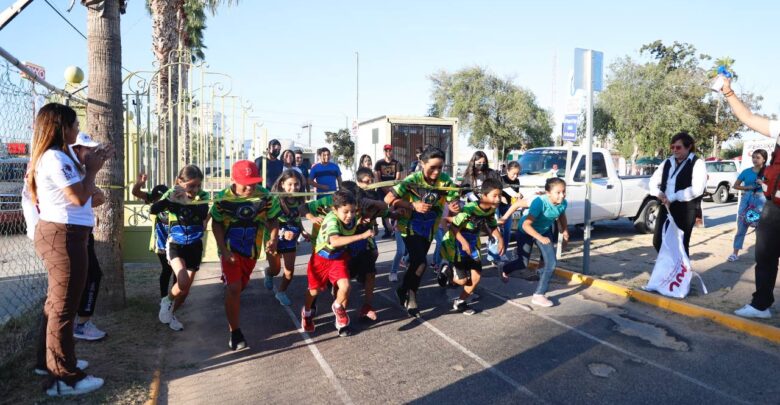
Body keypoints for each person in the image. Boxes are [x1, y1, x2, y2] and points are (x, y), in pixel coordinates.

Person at [28, 103, 111, 396]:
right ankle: (63, 377)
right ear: (62, 127)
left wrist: (90, 167)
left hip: (67, 235)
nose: (78, 131)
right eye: (74, 125)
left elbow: (85, 194)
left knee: (56, 306)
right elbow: (78, 197)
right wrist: (92, 170)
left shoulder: (57, 156)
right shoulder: (54, 158)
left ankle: (48, 362)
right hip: (63, 238)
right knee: (64, 309)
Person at [721, 77, 780, 319]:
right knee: (764, 257)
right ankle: (760, 305)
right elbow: (747, 118)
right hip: (774, 207)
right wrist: (728, 92)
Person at [384, 146, 460, 317]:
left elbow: (453, 200)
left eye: (440, 167)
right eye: (432, 167)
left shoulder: (446, 181)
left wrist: (455, 205)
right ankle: (411, 296)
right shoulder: (412, 179)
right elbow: (388, 199)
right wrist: (412, 205)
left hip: (430, 228)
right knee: (421, 262)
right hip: (409, 227)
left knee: (416, 264)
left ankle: (403, 289)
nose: (436, 171)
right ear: (422, 163)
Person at [211, 160, 279, 350]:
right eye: (245, 183)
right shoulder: (223, 198)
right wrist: (223, 250)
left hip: (252, 251)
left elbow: (273, 220)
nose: (250, 187)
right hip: (230, 250)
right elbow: (215, 223)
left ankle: (230, 299)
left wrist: (273, 238)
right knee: (234, 288)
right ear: (234, 179)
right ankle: (235, 332)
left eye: (254, 182)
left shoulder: (265, 196)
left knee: (239, 288)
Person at [301, 190, 374, 335]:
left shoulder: (352, 216)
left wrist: (366, 217)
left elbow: (381, 208)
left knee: (346, 286)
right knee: (314, 290)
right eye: (346, 212)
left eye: (353, 211)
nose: (350, 215)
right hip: (321, 260)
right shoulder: (331, 220)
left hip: (338, 259)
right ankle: (307, 312)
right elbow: (334, 241)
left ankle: (338, 307)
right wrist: (362, 235)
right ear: (335, 209)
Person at [152, 165, 210, 331]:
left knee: (183, 292)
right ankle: (166, 301)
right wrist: (169, 200)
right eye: (191, 185)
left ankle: (171, 313)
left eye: (198, 185)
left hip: (195, 245)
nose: (196, 189)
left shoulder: (203, 196)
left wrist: (185, 200)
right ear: (179, 182)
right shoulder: (171, 193)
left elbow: (201, 214)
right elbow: (154, 209)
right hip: (175, 244)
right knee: (182, 280)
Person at [501, 177, 569, 307]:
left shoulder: (563, 202)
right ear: (548, 193)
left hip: (543, 231)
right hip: (525, 231)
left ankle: (539, 295)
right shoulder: (539, 202)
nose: (562, 195)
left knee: (552, 263)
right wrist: (504, 218)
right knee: (523, 263)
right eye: (558, 192)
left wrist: (565, 232)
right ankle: (504, 268)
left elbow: (561, 215)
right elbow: (527, 225)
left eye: (564, 191)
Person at [440, 178, 504, 315]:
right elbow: (454, 227)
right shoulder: (469, 209)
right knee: (462, 280)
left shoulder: (490, 210)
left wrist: (500, 239)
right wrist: (463, 242)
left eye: (500, 195)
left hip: (473, 247)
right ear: (484, 195)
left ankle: (460, 302)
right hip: (457, 245)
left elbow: (492, 226)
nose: (498, 199)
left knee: (476, 278)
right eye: (495, 196)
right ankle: (447, 271)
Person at [67, 134, 108, 342]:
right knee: (88, 276)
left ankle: (81, 323)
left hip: (84, 232)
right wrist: (90, 178)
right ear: (76, 149)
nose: (92, 154)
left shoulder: (80, 170)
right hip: (70, 232)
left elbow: (98, 197)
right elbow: (83, 198)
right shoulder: (69, 168)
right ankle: (80, 324)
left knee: (91, 275)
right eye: (88, 150)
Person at [648, 131, 707, 256]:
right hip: (666, 207)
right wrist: (658, 193)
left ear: (689, 146)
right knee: (658, 241)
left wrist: (673, 197)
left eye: (678, 147)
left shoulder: (697, 163)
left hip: (685, 209)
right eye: (672, 147)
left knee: (680, 244)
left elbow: (697, 189)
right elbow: (653, 181)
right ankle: (670, 268)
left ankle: (681, 273)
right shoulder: (667, 162)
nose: (675, 150)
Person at [350, 171, 397, 321]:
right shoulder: (350, 199)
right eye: (366, 181)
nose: (369, 184)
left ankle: (367, 306)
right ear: (357, 182)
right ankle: (339, 307)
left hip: (366, 242)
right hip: (347, 242)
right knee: (343, 281)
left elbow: (384, 210)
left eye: (371, 180)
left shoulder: (373, 199)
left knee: (371, 272)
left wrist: (398, 214)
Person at [264, 170, 307, 306]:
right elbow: (265, 220)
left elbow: (297, 217)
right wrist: (281, 234)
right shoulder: (274, 199)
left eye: (297, 184)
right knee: (276, 269)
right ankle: (269, 273)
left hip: (291, 238)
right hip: (273, 238)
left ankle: (281, 292)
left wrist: (302, 230)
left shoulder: (300, 198)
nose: (293, 188)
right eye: (290, 184)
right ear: (282, 184)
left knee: (289, 271)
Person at [131, 173, 174, 299]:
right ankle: (164, 298)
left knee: (177, 270)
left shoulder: (173, 202)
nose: (159, 201)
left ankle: (176, 296)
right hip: (160, 242)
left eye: (162, 198)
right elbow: (135, 192)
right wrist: (140, 183)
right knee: (167, 269)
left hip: (175, 241)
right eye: (156, 199)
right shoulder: (153, 201)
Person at [729, 149, 768, 262]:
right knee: (742, 225)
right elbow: (735, 186)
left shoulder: (767, 171)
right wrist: (747, 188)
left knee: (759, 228)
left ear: (764, 159)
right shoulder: (746, 171)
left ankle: (761, 256)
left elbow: (772, 188)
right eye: (753, 157)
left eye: (758, 157)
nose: (755, 159)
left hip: (761, 200)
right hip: (747, 199)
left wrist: (763, 183)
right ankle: (735, 253)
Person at [374, 144, 403, 239]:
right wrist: (385, 189)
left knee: (394, 208)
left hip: (393, 190)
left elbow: (398, 178)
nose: (388, 152)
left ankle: (394, 230)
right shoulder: (379, 163)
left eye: (390, 150)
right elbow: (378, 178)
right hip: (382, 189)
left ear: (392, 151)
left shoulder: (397, 163)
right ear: (384, 152)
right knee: (383, 209)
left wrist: (391, 190)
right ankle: (387, 230)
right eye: (386, 150)